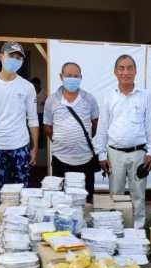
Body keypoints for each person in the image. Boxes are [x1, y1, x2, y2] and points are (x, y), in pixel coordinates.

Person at [0, 42, 39, 225]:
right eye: (11, 56)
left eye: (19, 57)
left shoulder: (27, 87)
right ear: (1, 57)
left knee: (21, 194)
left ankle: (19, 230)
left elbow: (33, 119)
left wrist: (34, 148)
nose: (15, 60)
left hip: (20, 148)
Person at [94, 54, 151, 229]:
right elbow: (102, 126)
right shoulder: (109, 97)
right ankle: (117, 228)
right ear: (115, 72)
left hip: (139, 153)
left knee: (138, 195)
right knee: (116, 194)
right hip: (115, 153)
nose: (126, 72)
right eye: (121, 68)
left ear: (136, 71)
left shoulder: (145, 96)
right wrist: (101, 153)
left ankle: (137, 230)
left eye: (130, 68)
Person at [43, 62, 99, 201]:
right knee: (61, 200)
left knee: (86, 200)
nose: (72, 78)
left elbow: (96, 124)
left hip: (85, 159)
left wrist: (80, 139)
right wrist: (61, 140)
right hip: (60, 160)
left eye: (76, 76)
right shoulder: (52, 100)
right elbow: (47, 127)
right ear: (61, 76)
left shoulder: (89, 99)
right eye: (69, 75)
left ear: (81, 77)